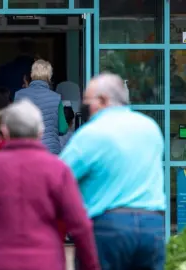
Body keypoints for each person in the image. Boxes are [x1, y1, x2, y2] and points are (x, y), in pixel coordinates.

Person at [0, 99, 100, 270]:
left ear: (5, 131)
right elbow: (80, 225)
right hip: (46, 261)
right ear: (40, 132)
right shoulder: (58, 169)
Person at [60, 73, 166, 270]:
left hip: (108, 226)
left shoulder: (92, 133)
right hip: (153, 224)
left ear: (102, 100)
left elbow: (59, 178)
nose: (85, 107)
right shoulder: (150, 127)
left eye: (87, 101)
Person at [14, 59, 69, 155]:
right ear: (49, 76)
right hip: (49, 152)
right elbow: (63, 128)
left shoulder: (19, 95)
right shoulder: (56, 98)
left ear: (31, 74)